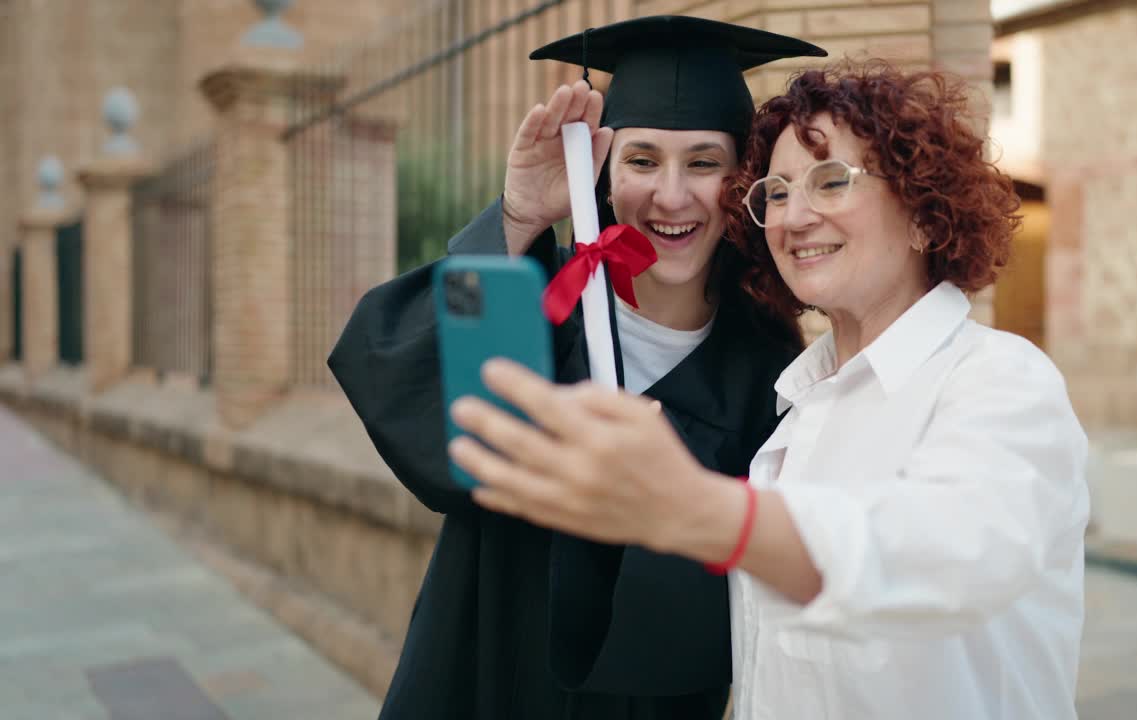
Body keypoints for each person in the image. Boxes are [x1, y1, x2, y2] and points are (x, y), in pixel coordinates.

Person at [448, 61, 1092, 720]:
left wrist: (701, 509)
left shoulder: (1000, 381)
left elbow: (946, 551)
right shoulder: (793, 415)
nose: (794, 216)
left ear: (925, 216)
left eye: (831, 181)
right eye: (776, 193)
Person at [328, 15, 825, 720]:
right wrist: (518, 218)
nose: (672, 195)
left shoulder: (768, 369)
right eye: (643, 160)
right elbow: (395, 373)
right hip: (479, 676)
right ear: (603, 174)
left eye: (704, 163)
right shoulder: (532, 300)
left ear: (740, 178)